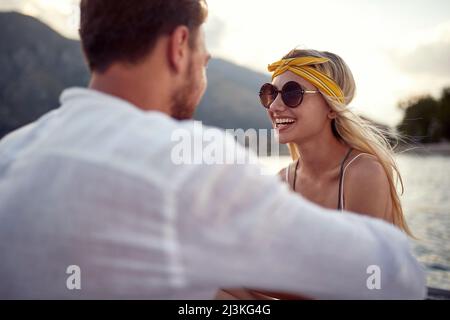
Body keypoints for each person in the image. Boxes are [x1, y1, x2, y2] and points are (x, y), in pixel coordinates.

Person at [0, 0, 425, 299]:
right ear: (179, 46)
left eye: (291, 94)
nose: (274, 105)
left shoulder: (10, 154)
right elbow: (394, 275)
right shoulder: (193, 164)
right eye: (205, 60)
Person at [216, 49, 414, 300]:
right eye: (270, 93)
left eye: (291, 93)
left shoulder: (363, 173)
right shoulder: (283, 181)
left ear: (331, 107)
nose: (275, 106)